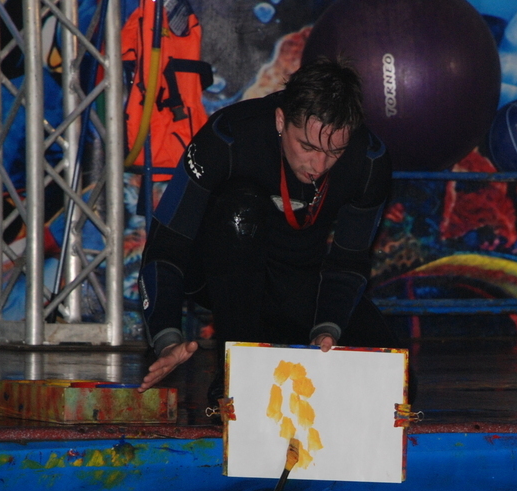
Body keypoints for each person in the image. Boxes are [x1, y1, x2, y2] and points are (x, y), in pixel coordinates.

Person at [137, 59, 395, 394]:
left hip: (296, 279)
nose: (319, 165)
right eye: (307, 146)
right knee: (240, 209)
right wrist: (166, 337)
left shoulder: (370, 160)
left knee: (397, 383)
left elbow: (349, 261)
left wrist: (327, 328)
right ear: (280, 120)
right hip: (222, 274)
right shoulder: (229, 135)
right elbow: (165, 247)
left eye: (334, 152)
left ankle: (278, 340)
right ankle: (237, 371)